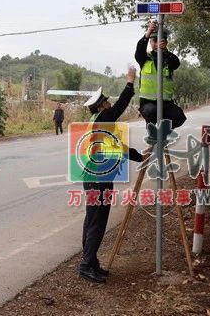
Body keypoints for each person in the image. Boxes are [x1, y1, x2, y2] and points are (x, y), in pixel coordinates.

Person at [79, 66, 144, 283]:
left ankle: (91, 262)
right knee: (97, 222)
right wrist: (129, 83)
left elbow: (118, 148)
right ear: (101, 105)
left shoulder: (98, 122)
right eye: (106, 100)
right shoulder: (105, 116)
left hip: (93, 176)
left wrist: (138, 156)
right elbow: (120, 106)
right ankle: (86, 266)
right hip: (98, 177)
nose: (109, 103)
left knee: (91, 220)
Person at [134, 20, 186, 141]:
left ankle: (163, 133)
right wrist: (148, 32)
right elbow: (139, 50)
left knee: (179, 117)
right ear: (151, 43)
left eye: (160, 41)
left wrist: (165, 52)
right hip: (148, 103)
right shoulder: (145, 58)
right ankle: (152, 135)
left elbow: (176, 62)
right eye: (154, 41)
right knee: (152, 112)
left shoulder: (169, 59)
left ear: (165, 43)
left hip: (166, 103)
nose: (157, 44)